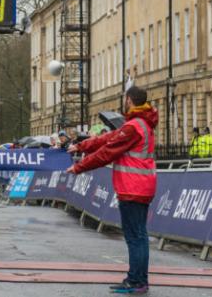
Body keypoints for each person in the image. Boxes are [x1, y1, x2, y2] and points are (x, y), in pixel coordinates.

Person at [66, 86, 157, 294]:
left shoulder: (133, 126)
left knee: (135, 236)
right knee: (139, 235)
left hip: (133, 187)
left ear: (129, 100)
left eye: (125, 99)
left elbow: (107, 152)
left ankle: (136, 281)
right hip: (142, 186)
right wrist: (81, 146)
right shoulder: (140, 124)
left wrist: (79, 166)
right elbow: (107, 139)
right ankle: (139, 279)